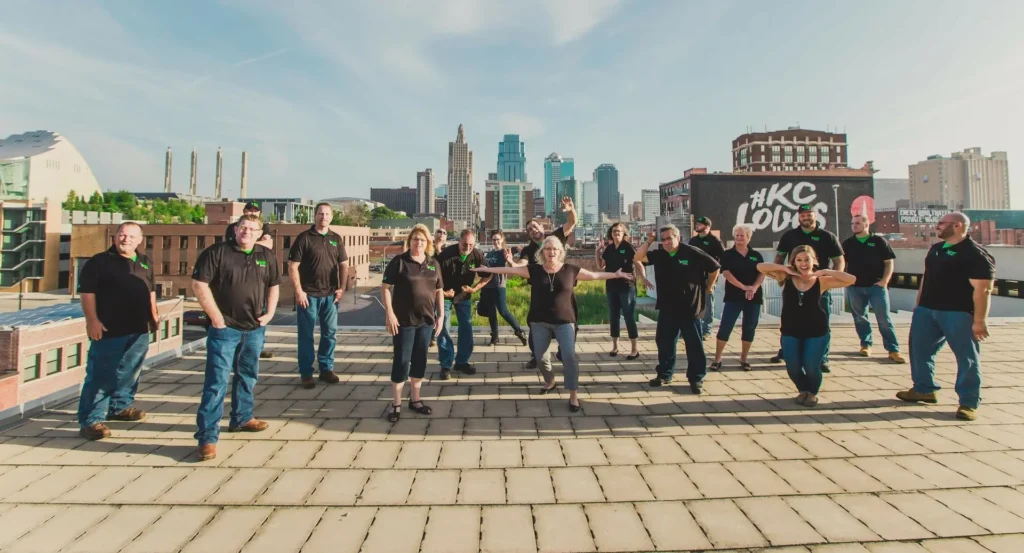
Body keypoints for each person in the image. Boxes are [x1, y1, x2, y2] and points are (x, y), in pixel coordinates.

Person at [473, 236, 633, 411]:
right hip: (539, 321)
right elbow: (508, 270)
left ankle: (573, 395)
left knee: (569, 356)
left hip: (565, 322)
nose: (551, 252)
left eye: (555, 249)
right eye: (548, 249)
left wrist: (616, 275)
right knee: (540, 357)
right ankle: (550, 381)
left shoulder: (570, 270)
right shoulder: (534, 270)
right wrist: (487, 269)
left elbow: (595, 275)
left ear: (561, 252)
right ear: (543, 252)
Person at [192, 213, 281, 461]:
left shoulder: (266, 256)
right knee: (216, 382)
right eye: (243, 227)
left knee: (248, 376)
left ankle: (242, 418)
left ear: (259, 234)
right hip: (225, 329)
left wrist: (271, 312)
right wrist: (216, 318)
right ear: (235, 229)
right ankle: (207, 438)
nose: (247, 232)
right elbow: (199, 284)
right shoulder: (217, 253)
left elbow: (274, 284)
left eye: (252, 229)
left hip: (254, 328)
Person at [897, 212, 995, 421]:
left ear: (957, 226)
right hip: (926, 310)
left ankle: (968, 402)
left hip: (957, 313)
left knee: (967, 358)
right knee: (919, 351)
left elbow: (983, 290)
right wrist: (918, 304)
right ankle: (924, 389)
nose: (937, 226)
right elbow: (927, 277)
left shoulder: (975, 254)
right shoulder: (936, 249)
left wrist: (979, 321)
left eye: (941, 223)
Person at [76, 222, 159, 440]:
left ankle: (120, 407)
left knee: (130, 371)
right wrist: (91, 320)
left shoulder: (145, 262)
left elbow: (150, 291)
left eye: (132, 236)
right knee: (101, 375)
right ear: (115, 237)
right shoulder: (99, 262)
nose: (126, 239)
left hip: (139, 328)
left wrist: (154, 314)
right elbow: (87, 293)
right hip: (108, 328)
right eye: (122, 235)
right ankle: (91, 420)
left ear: (140, 240)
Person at [758, 246, 855, 407]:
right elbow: (760, 267)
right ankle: (803, 389)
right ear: (794, 262)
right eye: (799, 260)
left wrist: (824, 271)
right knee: (793, 368)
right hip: (790, 330)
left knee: (811, 366)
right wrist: (784, 267)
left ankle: (812, 393)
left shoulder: (821, 281)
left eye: (807, 259)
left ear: (814, 261)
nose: (803, 263)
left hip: (816, 331)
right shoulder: (785, 277)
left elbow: (850, 279)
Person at [636, 225, 721, 395]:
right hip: (668, 307)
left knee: (694, 345)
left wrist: (708, 287)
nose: (667, 242)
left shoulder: (692, 252)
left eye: (670, 238)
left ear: (678, 237)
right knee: (664, 342)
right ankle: (665, 374)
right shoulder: (659, 255)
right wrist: (650, 240)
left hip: (690, 308)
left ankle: (696, 378)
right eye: (664, 239)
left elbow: (715, 268)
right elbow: (638, 257)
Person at [382, 224, 445, 423]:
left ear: (428, 243)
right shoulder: (400, 262)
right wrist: (390, 314)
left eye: (423, 240)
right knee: (401, 361)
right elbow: (385, 287)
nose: (419, 243)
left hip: (426, 321)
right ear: (409, 241)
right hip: (404, 321)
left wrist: (441, 315)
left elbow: (439, 290)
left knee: (420, 360)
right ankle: (397, 404)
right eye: (415, 239)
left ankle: (415, 400)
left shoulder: (433, 263)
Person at [769, 204, 844, 372]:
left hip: (818, 286)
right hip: (794, 285)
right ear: (798, 217)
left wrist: (832, 279)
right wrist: (783, 275)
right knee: (789, 320)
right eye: (802, 215)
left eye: (808, 214)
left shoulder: (827, 236)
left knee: (822, 321)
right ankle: (786, 351)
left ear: (815, 216)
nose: (805, 218)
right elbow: (779, 258)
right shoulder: (790, 236)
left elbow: (839, 261)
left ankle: (822, 357)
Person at [511, 196, 577, 368]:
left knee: (571, 325)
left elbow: (572, 222)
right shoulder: (528, 250)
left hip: (563, 290)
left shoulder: (555, 236)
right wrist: (512, 264)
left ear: (542, 227)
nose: (533, 230)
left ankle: (564, 352)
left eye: (535, 226)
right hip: (540, 294)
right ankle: (537, 355)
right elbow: (523, 264)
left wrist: (570, 209)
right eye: (529, 229)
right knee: (535, 325)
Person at [288, 202, 348, 389]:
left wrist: (342, 287)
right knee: (306, 336)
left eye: (327, 214)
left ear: (332, 217)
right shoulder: (305, 238)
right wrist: (299, 291)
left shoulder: (336, 238)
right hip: (308, 295)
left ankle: (326, 369)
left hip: (330, 296)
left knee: (329, 334)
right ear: (315, 216)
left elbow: (344, 264)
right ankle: (306, 373)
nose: (324, 217)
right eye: (321, 214)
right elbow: (292, 266)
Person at [842, 214, 905, 363]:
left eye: (857, 223)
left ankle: (893, 349)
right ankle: (865, 344)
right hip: (855, 287)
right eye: (852, 223)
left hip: (876, 287)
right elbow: (841, 263)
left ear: (866, 224)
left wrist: (884, 281)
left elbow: (889, 263)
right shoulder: (848, 243)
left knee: (884, 319)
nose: (854, 226)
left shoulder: (878, 241)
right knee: (860, 318)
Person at [435, 229, 491, 380]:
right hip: (444, 294)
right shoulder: (445, 255)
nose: (468, 247)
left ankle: (462, 361)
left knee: (466, 327)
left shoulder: (477, 254)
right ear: (458, 241)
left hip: (463, 295)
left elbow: (488, 274)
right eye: (465, 244)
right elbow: (432, 278)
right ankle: (446, 365)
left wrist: (474, 288)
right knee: (443, 328)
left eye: (471, 245)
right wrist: (443, 293)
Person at [710, 224, 765, 372]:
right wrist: (742, 286)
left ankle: (744, 358)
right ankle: (717, 358)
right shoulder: (727, 254)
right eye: (737, 235)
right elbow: (726, 273)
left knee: (749, 327)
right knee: (725, 327)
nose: (739, 238)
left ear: (748, 237)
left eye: (742, 236)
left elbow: (762, 273)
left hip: (753, 296)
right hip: (734, 296)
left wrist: (753, 287)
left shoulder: (756, 255)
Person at [226, 201, 275, 359]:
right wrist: (257, 242)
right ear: (244, 211)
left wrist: (249, 242)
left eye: (256, 211)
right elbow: (232, 245)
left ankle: (258, 347)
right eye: (249, 210)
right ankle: (237, 347)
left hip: (259, 278)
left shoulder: (265, 227)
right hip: (235, 276)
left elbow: (269, 245)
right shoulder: (233, 226)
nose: (253, 213)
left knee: (260, 315)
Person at [595, 223, 644, 359]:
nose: (616, 233)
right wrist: (597, 251)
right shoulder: (609, 248)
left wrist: (644, 278)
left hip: (626, 286)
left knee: (628, 316)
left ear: (623, 233)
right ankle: (615, 346)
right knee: (613, 316)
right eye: (614, 231)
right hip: (611, 285)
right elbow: (600, 266)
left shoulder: (628, 247)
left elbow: (638, 263)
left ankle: (634, 349)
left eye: (619, 231)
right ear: (611, 233)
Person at [479, 230, 528, 346]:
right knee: (491, 312)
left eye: (497, 239)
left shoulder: (504, 252)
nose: (495, 242)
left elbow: (520, 249)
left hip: (498, 285)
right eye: (494, 240)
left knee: (503, 311)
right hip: (487, 286)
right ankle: (495, 337)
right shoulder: (489, 254)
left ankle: (519, 331)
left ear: (502, 240)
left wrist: (515, 258)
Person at [689, 216, 725, 340]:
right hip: (694, 277)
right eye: (697, 223)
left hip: (709, 277)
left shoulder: (715, 241)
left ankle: (707, 330)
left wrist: (715, 276)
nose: (697, 225)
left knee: (708, 303)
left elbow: (722, 259)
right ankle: (693, 328)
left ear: (707, 226)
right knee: (694, 302)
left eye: (700, 224)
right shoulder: (693, 240)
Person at [429, 228, 448, 348]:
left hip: (443, 287)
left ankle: (434, 336)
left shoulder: (448, 251)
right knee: (430, 312)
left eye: (444, 233)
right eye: (439, 232)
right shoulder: (428, 249)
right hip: (429, 285)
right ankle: (430, 337)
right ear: (434, 235)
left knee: (439, 313)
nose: (441, 234)